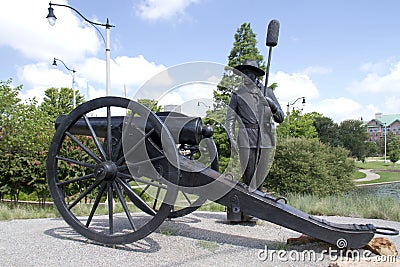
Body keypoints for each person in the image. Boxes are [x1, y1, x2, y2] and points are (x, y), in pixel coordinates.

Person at [225, 59, 284, 222]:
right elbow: (229, 119)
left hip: (265, 138)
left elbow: (281, 118)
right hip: (245, 137)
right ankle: (247, 211)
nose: (244, 76)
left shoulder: (268, 92)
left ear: (256, 75)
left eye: (248, 73)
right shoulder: (237, 94)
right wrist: (231, 138)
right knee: (249, 176)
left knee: (260, 176)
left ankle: (257, 209)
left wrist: (271, 105)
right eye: (242, 73)